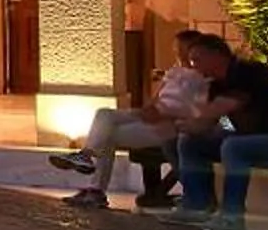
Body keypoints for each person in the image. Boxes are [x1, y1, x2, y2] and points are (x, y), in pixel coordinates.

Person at [168, 30, 268, 230]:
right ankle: (196, 205)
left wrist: (188, 120)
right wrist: (179, 126)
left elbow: (217, 110)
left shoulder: (248, 73)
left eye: (196, 60)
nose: (194, 67)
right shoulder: (217, 84)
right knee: (190, 142)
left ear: (216, 56)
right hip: (250, 138)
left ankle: (232, 216)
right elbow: (212, 124)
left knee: (233, 147)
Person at [49, 29, 207, 209]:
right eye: (176, 47)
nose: (176, 51)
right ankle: (86, 157)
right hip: (153, 115)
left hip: (168, 125)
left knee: (108, 135)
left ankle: (95, 188)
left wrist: (165, 115)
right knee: (104, 114)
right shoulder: (175, 71)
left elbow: (196, 110)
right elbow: (158, 98)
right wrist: (147, 110)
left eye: (180, 47)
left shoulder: (201, 77)